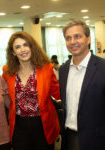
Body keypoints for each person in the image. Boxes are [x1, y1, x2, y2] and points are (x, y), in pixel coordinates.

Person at [2, 31, 61, 150]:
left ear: (32, 47)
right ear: (13, 52)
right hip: (19, 126)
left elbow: (58, 93)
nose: (22, 49)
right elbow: (6, 96)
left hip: (43, 124)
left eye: (25, 45)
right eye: (17, 47)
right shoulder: (7, 71)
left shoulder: (47, 68)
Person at [59, 20, 105, 150]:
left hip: (97, 140)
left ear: (88, 38)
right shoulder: (63, 70)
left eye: (78, 36)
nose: (73, 41)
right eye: (68, 38)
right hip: (69, 138)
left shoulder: (103, 68)